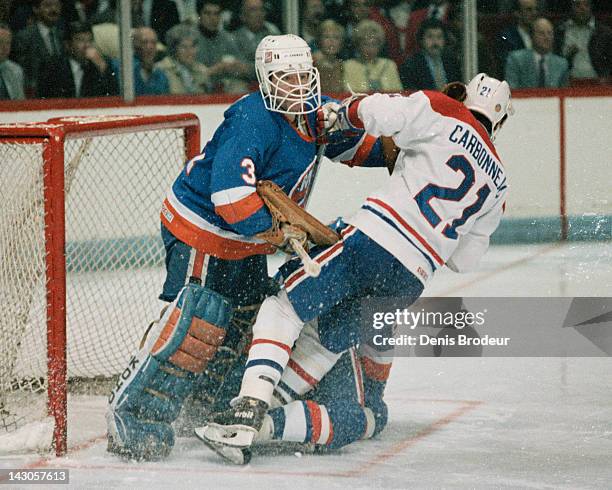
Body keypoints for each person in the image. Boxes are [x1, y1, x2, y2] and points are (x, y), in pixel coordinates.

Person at [198, 73, 514, 462]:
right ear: (499, 120)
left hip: (371, 238)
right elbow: (465, 260)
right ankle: (267, 415)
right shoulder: (500, 183)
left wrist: (342, 111)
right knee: (327, 341)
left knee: (285, 305)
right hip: (411, 276)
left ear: (465, 96)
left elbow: (378, 111)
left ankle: (249, 405)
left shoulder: (446, 109)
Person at [105, 33, 390, 461]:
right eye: (283, 78)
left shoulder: (315, 114)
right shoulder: (252, 118)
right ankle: (132, 413)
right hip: (201, 229)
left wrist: (407, 149)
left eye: (301, 76)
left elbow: (360, 148)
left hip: (248, 241)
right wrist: (279, 233)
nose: (295, 86)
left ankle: (204, 401)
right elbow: (228, 197)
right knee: (195, 321)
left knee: (243, 323)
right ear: (264, 79)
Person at [37, 21, 118, 98]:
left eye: (90, 40)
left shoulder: (99, 66)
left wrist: (102, 67)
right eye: (81, 40)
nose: (87, 45)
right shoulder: (53, 67)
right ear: (68, 45)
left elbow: (113, 95)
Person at [195, 0, 251, 94]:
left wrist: (238, 66)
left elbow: (245, 69)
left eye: (216, 14)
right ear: (199, 16)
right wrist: (214, 70)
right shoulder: (190, 38)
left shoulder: (228, 38)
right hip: (198, 88)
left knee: (239, 87)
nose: (212, 18)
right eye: (207, 13)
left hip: (225, 87)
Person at [13, 0, 64, 96]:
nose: (53, 9)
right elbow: (21, 72)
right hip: (34, 96)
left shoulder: (62, 34)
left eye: (57, 5)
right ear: (36, 9)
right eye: (47, 5)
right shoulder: (24, 37)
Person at [505, 17, 569, 88]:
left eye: (550, 33)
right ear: (531, 36)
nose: (547, 37)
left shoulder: (561, 64)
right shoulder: (516, 59)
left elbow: (564, 93)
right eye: (541, 33)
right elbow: (511, 90)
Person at [399, 17, 461, 91]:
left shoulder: (451, 62)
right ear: (421, 40)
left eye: (439, 37)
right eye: (430, 37)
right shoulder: (411, 65)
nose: (435, 42)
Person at [343, 19, 403, 93]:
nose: (370, 49)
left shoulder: (389, 64)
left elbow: (398, 92)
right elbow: (349, 93)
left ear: (380, 45)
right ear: (358, 45)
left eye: (374, 44)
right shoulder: (349, 65)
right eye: (366, 44)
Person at [111, 27, 170, 96]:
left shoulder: (161, 76)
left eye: (153, 42)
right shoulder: (120, 67)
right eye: (144, 42)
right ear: (135, 44)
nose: (149, 46)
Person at [155, 24, 212, 95]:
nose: (189, 51)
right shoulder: (160, 69)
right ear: (174, 49)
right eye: (184, 47)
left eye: (193, 46)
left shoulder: (202, 70)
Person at [313, 19, 346, 94]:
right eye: (327, 37)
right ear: (319, 40)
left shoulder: (341, 64)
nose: (331, 41)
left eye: (336, 38)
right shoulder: (312, 62)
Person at [0, 23, 25, 100]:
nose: (4, 47)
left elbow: (20, 102)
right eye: (0, 42)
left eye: (7, 43)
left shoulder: (16, 70)